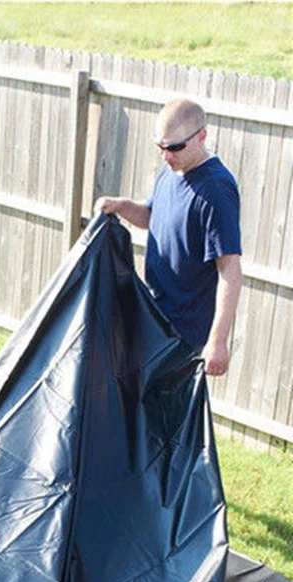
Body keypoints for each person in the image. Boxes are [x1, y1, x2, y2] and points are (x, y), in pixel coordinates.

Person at [98, 96, 242, 376]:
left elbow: (230, 270)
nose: (166, 155)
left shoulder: (215, 190)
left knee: (165, 414)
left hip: (184, 335)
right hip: (153, 316)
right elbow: (153, 218)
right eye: (161, 147)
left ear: (202, 136)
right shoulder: (171, 172)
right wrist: (122, 206)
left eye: (175, 147)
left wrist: (218, 342)